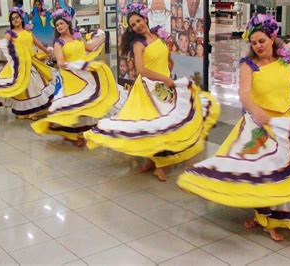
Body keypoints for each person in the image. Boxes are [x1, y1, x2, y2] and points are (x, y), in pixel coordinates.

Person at [177, 14, 290, 241]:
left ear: (272, 38)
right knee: (265, 174)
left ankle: (279, 215)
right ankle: (264, 218)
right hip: (261, 127)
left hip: (286, 124)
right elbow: (244, 93)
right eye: (254, 43)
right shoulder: (248, 65)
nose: (258, 46)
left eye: (262, 41)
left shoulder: (285, 59)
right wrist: (256, 111)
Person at [84, 3, 219, 181]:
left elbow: (165, 54)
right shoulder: (138, 44)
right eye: (133, 24)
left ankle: (151, 161)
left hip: (164, 84)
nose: (137, 25)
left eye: (138, 21)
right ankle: (159, 166)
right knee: (156, 123)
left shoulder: (158, 34)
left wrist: (169, 63)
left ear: (145, 18)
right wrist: (165, 79)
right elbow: (141, 70)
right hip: (150, 87)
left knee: (164, 122)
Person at [31, 9, 121, 147]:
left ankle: (82, 132)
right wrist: (76, 65)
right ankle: (74, 133)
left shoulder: (77, 37)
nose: (59, 26)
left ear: (68, 23)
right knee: (74, 105)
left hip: (83, 73)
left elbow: (90, 48)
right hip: (69, 75)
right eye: (57, 25)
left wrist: (101, 37)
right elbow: (60, 62)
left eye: (61, 23)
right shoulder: (58, 43)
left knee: (87, 102)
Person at [0, 7, 55, 120]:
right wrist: (0, 43)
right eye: (12, 19)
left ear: (21, 18)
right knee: (24, 87)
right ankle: (26, 112)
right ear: (11, 22)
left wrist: (47, 52)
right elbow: (4, 43)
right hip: (20, 65)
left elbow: (37, 43)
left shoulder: (28, 31)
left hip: (32, 62)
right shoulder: (10, 33)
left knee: (35, 87)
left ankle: (35, 111)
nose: (15, 20)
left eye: (17, 17)